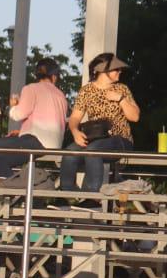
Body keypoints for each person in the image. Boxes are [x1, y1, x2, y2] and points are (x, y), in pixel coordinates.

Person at [59, 53, 139, 197]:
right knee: (70, 153)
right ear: (103, 71)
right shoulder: (87, 91)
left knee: (93, 151)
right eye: (116, 69)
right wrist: (75, 132)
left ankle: (92, 198)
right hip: (95, 138)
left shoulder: (122, 89)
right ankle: (66, 196)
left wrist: (120, 99)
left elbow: (135, 117)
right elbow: (75, 117)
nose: (119, 72)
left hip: (119, 139)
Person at [0, 57, 67, 183]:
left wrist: (13, 106)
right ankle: (13, 184)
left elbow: (19, 114)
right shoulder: (60, 95)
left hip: (36, 141)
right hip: (53, 143)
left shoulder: (31, 89)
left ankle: (15, 186)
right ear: (54, 76)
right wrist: (22, 132)